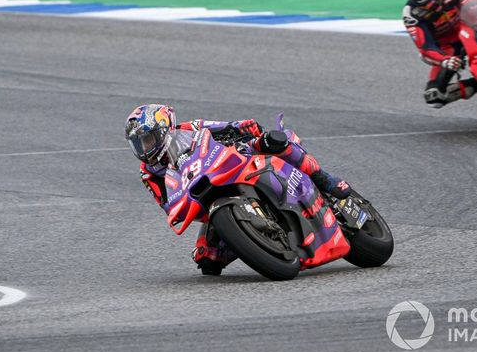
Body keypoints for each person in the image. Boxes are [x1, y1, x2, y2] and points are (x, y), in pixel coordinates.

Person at [124, 104, 353, 275]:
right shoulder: (148, 172)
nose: (144, 148)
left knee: (273, 141)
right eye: (139, 143)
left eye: (148, 139)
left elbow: (225, 127)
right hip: (206, 196)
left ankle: (324, 180)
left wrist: (242, 128)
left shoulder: (190, 129)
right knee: (208, 261)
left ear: (165, 130)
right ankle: (261, 239)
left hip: (234, 162)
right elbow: (167, 204)